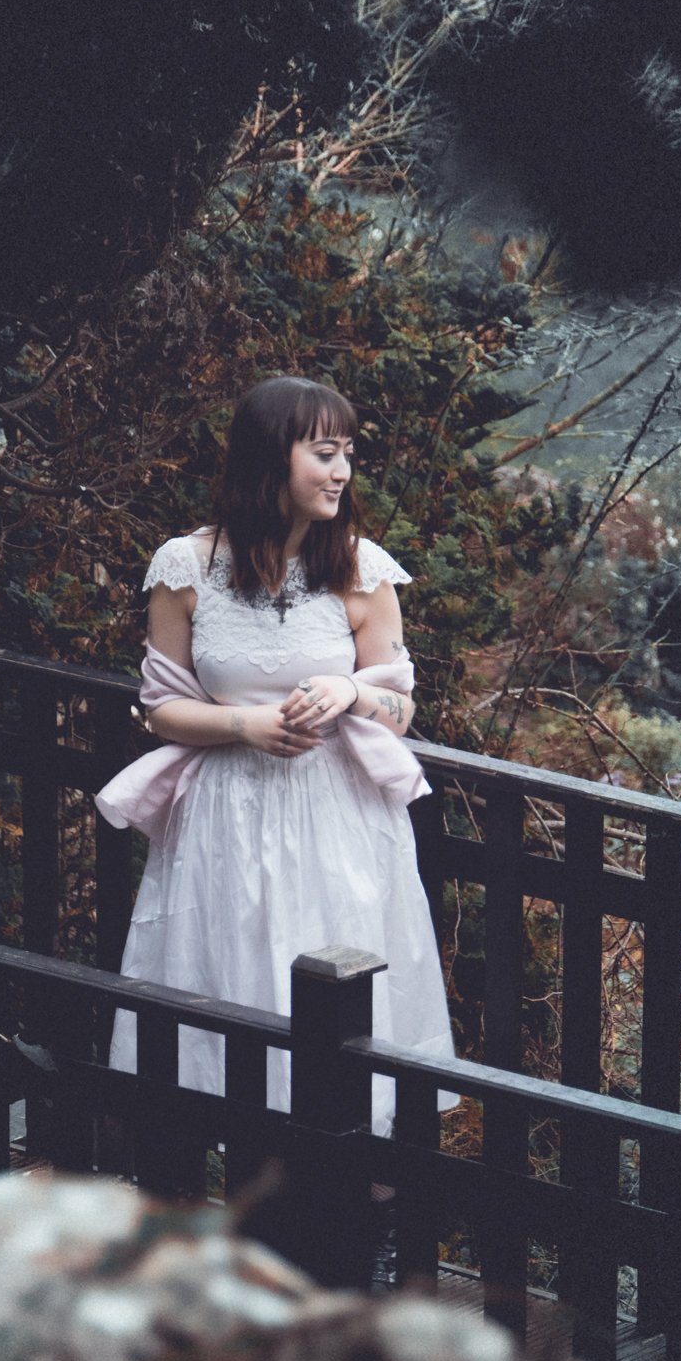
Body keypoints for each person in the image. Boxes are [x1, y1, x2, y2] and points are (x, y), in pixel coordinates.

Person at [96, 375, 454, 1131]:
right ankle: (227, 1182)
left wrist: (348, 693)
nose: (341, 471)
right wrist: (243, 728)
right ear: (269, 458)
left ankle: (358, 1204)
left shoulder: (363, 570)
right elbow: (160, 708)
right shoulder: (185, 568)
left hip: (339, 818)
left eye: (347, 453)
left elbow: (399, 706)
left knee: (346, 992)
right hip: (225, 816)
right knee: (225, 986)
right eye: (324, 452)